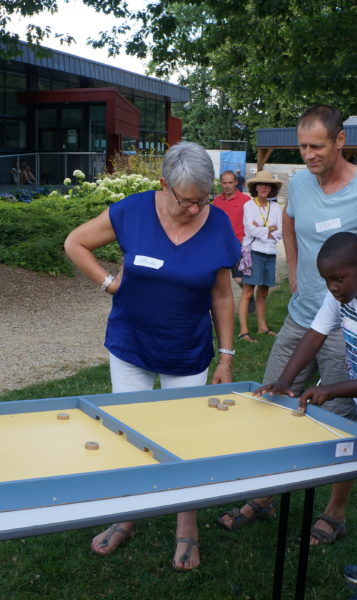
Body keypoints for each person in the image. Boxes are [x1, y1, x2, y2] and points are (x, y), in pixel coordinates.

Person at [218, 104, 357, 539]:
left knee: (339, 421)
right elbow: (290, 221)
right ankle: (265, 495)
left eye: (317, 146)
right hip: (305, 317)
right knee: (272, 397)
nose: (309, 155)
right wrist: (297, 271)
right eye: (302, 146)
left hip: (351, 327)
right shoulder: (300, 183)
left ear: (340, 141)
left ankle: (335, 512)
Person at [64, 141, 239, 571]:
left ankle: (187, 525)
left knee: (187, 439)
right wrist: (109, 282)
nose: (195, 209)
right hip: (132, 346)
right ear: (163, 185)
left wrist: (226, 356)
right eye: (187, 201)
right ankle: (127, 515)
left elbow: (221, 295)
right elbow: (75, 243)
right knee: (128, 433)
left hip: (187, 351)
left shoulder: (217, 224)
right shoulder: (132, 211)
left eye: (203, 200)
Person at [256, 232, 357, 600]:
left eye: (338, 279)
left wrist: (333, 390)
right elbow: (314, 335)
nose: (332, 287)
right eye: (327, 280)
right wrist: (284, 381)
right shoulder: (342, 294)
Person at [237, 170, 283, 342]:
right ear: (255, 187)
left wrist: (262, 230)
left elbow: (280, 231)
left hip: (270, 252)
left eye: (267, 185)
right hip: (253, 251)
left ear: (271, 188)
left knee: (263, 292)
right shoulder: (249, 206)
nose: (264, 187)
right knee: (248, 292)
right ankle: (243, 331)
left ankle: (263, 327)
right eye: (260, 184)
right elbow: (250, 230)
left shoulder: (276, 207)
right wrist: (269, 229)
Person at [213, 170, 251, 294]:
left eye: (230, 182)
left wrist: (246, 240)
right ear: (221, 183)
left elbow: (252, 222)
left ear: (236, 182)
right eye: (224, 183)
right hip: (220, 245)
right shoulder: (217, 201)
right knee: (219, 279)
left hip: (238, 243)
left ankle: (249, 299)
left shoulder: (246, 200)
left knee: (239, 279)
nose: (227, 186)